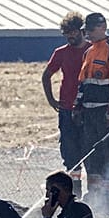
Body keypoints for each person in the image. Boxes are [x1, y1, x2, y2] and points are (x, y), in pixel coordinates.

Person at [74, 12, 109, 184]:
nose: (87, 34)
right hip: (89, 112)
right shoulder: (89, 52)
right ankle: (95, 193)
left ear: (102, 28)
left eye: (90, 30)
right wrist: (78, 106)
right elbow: (83, 83)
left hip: (105, 111)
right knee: (91, 154)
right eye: (86, 30)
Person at [41, 12, 90, 175]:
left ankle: (93, 192)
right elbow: (46, 75)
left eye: (73, 32)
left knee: (90, 150)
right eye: (66, 33)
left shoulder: (93, 50)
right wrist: (51, 100)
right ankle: (74, 190)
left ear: (81, 30)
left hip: (89, 107)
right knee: (70, 151)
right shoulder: (61, 52)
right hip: (67, 108)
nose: (70, 36)